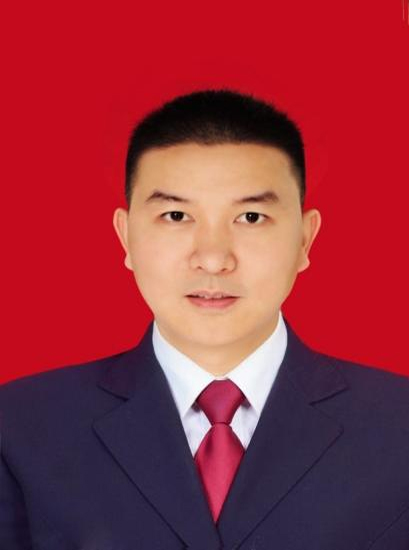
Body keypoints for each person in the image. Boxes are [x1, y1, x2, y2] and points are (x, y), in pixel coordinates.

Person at [1, 89, 409, 550]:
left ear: (305, 239)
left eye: (250, 217)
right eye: (176, 215)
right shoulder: (21, 426)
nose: (213, 259)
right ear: (126, 237)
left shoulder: (399, 425)